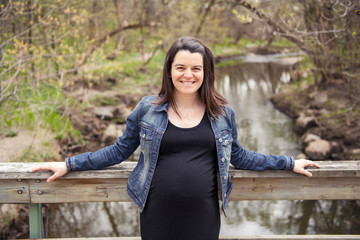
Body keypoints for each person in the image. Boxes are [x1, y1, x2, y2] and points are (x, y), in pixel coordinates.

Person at [32, 36, 320, 240]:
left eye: (196, 68)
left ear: (206, 73)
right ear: (169, 70)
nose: (188, 74)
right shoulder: (148, 108)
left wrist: (288, 162)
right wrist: (68, 164)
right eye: (180, 67)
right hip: (157, 212)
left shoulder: (222, 113)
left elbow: (241, 156)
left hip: (203, 215)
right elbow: (119, 151)